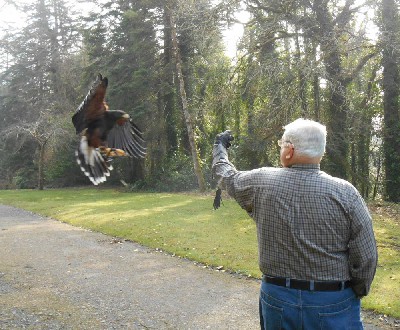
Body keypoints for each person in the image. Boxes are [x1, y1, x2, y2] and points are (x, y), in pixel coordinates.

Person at [212, 118, 378, 330]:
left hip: (278, 298)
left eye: (281, 144)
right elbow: (366, 255)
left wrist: (219, 148)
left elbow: (226, 176)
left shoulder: (260, 182)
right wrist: (356, 290)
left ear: (289, 150)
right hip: (333, 300)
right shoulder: (346, 193)